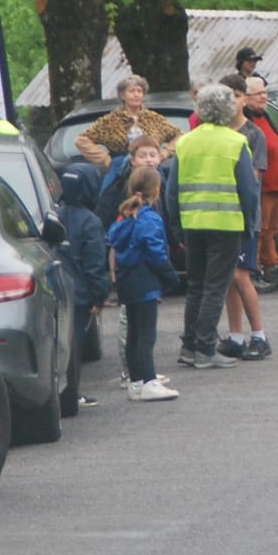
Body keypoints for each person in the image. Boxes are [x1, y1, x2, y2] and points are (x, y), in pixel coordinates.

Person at [173, 84, 260, 371]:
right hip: (225, 223)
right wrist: (250, 224)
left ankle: (190, 346)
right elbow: (249, 190)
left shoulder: (185, 142)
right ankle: (206, 348)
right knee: (215, 287)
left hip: (192, 223)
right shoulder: (235, 143)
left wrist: (175, 224)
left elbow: (171, 189)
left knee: (196, 285)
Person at [108, 166, 182, 402]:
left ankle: (137, 381)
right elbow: (154, 249)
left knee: (134, 333)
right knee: (147, 334)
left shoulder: (125, 215)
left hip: (127, 279)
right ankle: (149, 380)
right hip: (145, 280)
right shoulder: (149, 216)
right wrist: (170, 275)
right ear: (157, 190)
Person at [214, 75, 273, 359]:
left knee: (241, 275)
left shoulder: (253, 135)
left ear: (245, 99)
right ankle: (236, 336)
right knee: (229, 277)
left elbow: (254, 180)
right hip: (222, 215)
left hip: (244, 216)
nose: (232, 101)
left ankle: (259, 336)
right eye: (227, 96)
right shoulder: (214, 132)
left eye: (237, 95)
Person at [56, 163, 110, 409]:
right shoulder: (90, 222)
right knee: (73, 345)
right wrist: (99, 297)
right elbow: (95, 263)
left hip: (56, 289)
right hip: (78, 296)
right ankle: (69, 396)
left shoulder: (54, 214)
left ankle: (58, 392)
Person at [242, 74, 278, 286]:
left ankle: (271, 264)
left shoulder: (264, 116)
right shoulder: (248, 122)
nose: (264, 97)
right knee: (260, 228)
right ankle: (255, 268)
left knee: (271, 228)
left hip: (275, 184)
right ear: (246, 98)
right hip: (262, 184)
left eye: (265, 92)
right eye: (258, 94)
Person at [78, 74, 181, 161]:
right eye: (131, 91)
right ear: (122, 96)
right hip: (121, 171)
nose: (136, 95)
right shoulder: (110, 120)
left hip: (152, 169)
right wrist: (106, 159)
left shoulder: (154, 119)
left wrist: (164, 154)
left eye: (139, 91)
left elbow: (180, 135)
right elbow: (82, 140)